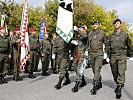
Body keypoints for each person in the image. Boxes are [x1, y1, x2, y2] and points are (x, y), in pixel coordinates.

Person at [107, 18, 133, 99]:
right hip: (113, 55)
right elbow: (108, 45)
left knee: (121, 71)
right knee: (114, 71)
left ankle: (119, 87)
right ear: (114, 25)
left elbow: (129, 45)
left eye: (118, 23)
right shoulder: (111, 35)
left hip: (122, 54)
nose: (116, 24)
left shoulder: (125, 34)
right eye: (115, 23)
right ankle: (118, 82)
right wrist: (107, 55)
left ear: (120, 24)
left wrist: (131, 54)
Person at [89, 20, 108, 95]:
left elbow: (106, 43)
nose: (95, 25)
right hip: (92, 54)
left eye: (96, 24)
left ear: (99, 25)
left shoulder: (102, 33)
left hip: (99, 54)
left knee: (97, 69)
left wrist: (106, 52)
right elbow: (88, 43)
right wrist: (87, 51)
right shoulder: (90, 33)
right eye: (94, 24)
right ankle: (99, 81)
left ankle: (95, 85)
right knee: (94, 70)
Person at [71, 25, 88, 92]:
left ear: (84, 30)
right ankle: (83, 80)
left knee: (79, 68)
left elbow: (84, 36)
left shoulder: (85, 36)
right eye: (80, 28)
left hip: (81, 55)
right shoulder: (77, 37)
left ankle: (77, 84)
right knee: (75, 67)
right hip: (76, 55)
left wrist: (77, 30)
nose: (80, 29)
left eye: (81, 28)